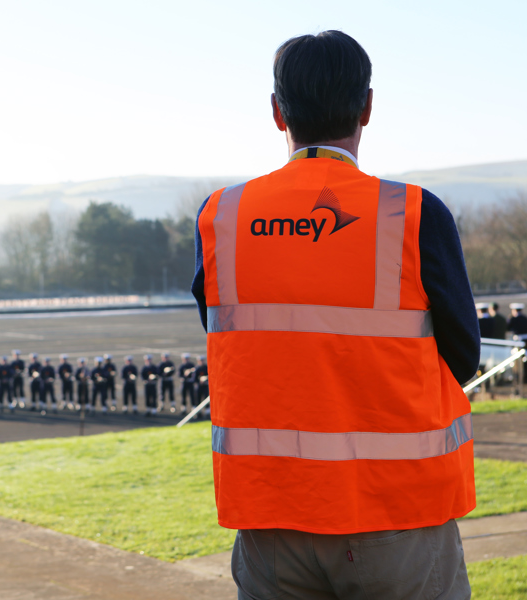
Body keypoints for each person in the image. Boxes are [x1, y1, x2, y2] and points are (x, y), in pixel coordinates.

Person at [192, 31, 479, 599]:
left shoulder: (220, 216)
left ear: (278, 113)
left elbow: (233, 336)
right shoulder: (414, 213)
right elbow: (464, 356)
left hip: (272, 517)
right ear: (367, 107)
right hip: (397, 513)